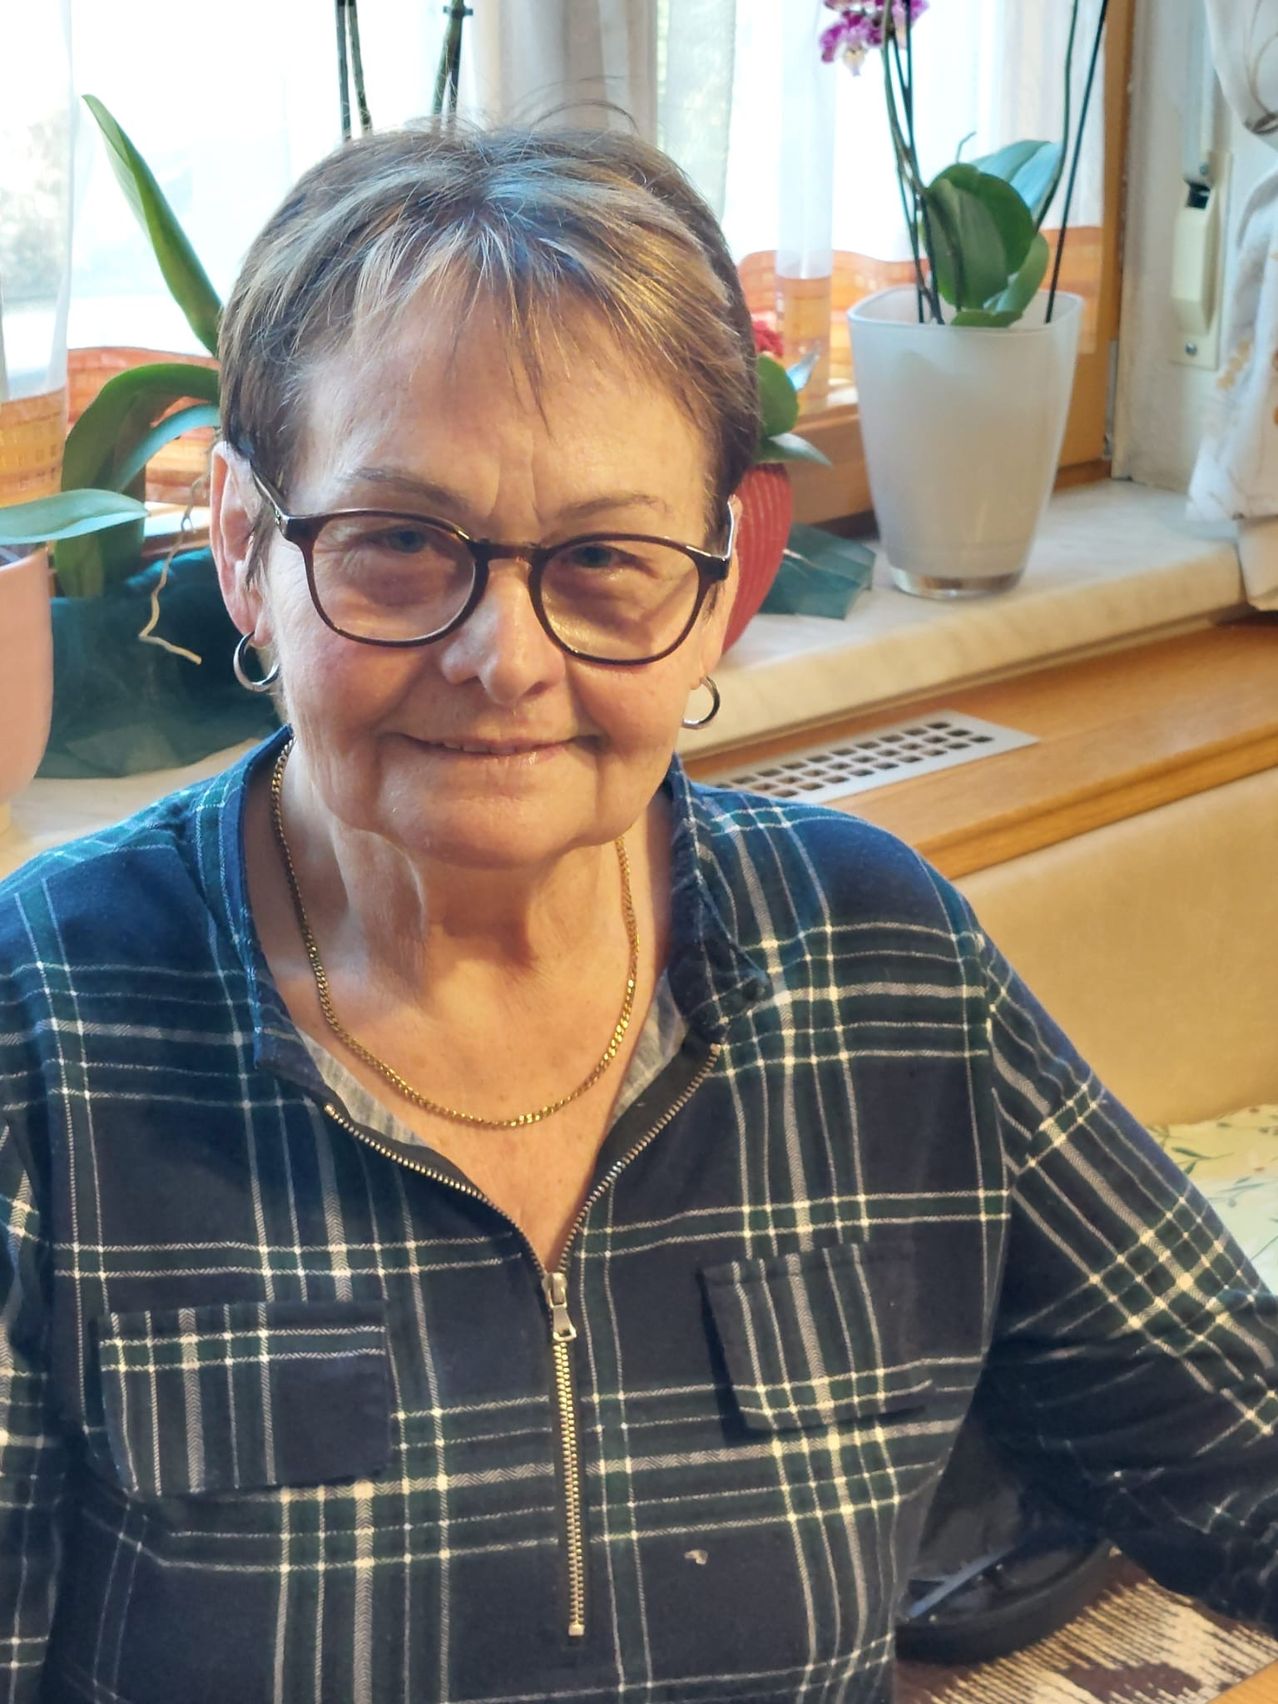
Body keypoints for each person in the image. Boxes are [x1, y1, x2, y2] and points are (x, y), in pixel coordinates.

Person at [0, 122, 1274, 1704]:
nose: (505, 658)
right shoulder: (44, 1023)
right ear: (248, 554)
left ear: (721, 583)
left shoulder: (877, 965)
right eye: (401, 545)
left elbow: (1242, 1460)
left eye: (604, 558)